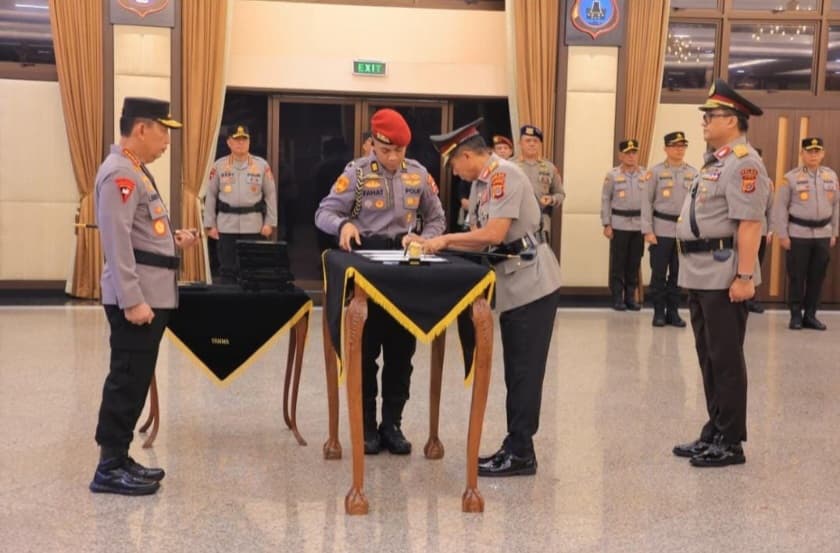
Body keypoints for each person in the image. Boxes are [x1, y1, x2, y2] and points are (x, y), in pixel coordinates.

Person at [422, 118, 561, 477]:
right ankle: (516, 446)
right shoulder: (483, 185)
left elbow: (494, 234)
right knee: (516, 372)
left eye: (454, 165)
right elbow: (479, 237)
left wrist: (444, 240)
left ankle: (521, 453)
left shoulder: (505, 176)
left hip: (532, 283)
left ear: (468, 156)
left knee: (524, 372)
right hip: (513, 282)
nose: (455, 173)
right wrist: (435, 245)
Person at [315, 108, 445, 455]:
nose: (392, 157)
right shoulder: (356, 174)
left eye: (399, 151)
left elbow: (437, 218)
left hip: (404, 270)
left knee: (402, 353)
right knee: (366, 352)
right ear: (373, 143)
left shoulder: (418, 174)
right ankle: (367, 426)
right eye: (386, 150)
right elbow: (324, 212)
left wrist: (425, 239)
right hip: (367, 269)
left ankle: (393, 425)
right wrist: (343, 225)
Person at [91, 97, 199, 495]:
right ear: (141, 128)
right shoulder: (120, 173)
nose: (167, 141)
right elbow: (116, 241)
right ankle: (108, 467)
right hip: (137, 299)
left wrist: (172, 241)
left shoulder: (135, 170)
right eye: (163, 131)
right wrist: (132, 299)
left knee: (136, 380)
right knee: (126, 379)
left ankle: (120, 457)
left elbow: (139, 232)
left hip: (152, 293)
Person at [672, 79, 770, 468]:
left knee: (725, 359)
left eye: (710, 116)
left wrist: (744, 277)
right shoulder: (717, 161)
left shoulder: (744, 163)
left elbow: (750, 224)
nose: (704, 122)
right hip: (700, 273)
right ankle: (715, 427)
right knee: (708, 356)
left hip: (723, 274)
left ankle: (731, 441)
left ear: (731, 120)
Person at [772, 137, 839, 330]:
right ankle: (795, 315)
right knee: (796, 277)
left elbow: (836, 206)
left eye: (817, 151)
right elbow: (780, 208)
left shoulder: (831, 176)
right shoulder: (790, 178)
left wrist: (834, 232)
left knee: (817, 277)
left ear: (823, 154)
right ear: (802, 154)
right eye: (809, 151)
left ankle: (810, 315)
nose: (813, 155)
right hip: (798, 234)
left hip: (823, 234)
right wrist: (782, 234)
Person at [204, 125, 277, 284]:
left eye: (244, 139)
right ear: (229, 142)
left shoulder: (261, 165)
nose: (241, 143)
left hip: (253, 225)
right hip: (226, 225)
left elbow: (270, 195)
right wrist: (210, 225)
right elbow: (210, 195)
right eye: (237, 140)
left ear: (249, 142)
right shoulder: (219, 166)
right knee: (227, 270)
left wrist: (270, 222)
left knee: (252, 270)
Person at [641, 132, 695, 327]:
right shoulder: (654, 172)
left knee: (678, 274)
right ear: (666, 148)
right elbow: (646, 202)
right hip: (661, 230)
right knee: (658, 273)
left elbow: (696, 205)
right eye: (675, 146)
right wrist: (648, 230)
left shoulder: (693, 173)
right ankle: (658, 312)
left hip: (683, 232)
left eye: (682, 146)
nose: (679, 149)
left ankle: (673, 312)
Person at [601, 139, 648, 311]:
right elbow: (605, 199)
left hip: (638, 225)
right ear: (620, 155)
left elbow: (650, 201)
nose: (631, 156)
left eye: (634, 153)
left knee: (634, 262)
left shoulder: (645, 174)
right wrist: (606, 224)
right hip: (619, 224)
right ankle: (617, 298)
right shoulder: (612, 175)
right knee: (618, 263)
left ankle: (630, 298)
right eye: (627, 153)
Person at [514, 125, 565, 236]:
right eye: (528, 141)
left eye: (535, 141)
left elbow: (560, 194)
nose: (532, 144)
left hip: (541, 222)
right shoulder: (510, 166)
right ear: (520, 143)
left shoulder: (549, 167)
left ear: (540, 144)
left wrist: (551, 199)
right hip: (515, 221)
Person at [745, 147, 773, 314]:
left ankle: (751, 298)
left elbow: (771, 207)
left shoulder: (767, 182)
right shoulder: (737, 177)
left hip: (760, 229)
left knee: (756, 265)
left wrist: (770, 230)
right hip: (741, 229)